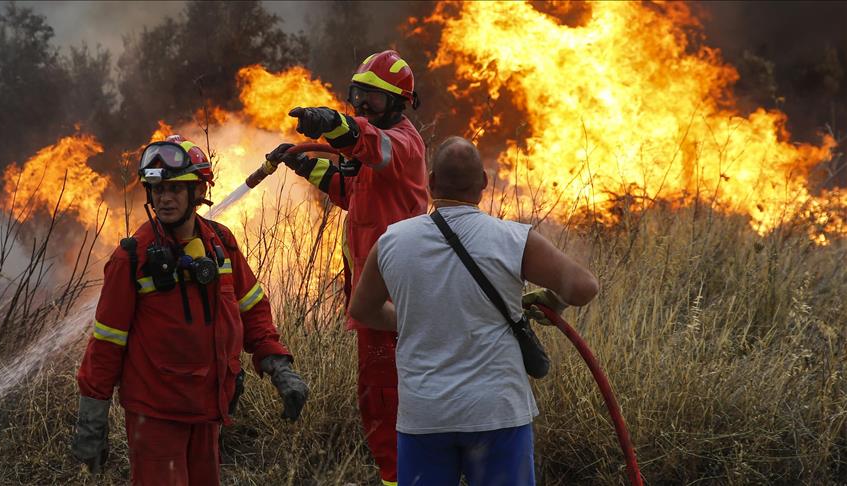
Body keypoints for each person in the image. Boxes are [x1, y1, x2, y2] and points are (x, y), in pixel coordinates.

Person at [348, 136, 599, 485]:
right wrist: (553, 301)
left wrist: (410, 319)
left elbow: (362, 310)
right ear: (483, 182)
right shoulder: (513, 239)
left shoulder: (392, 240)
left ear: (431, 182)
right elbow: (584, 287)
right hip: (496, 414)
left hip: (425, 415)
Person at [70, 135, 309, 485]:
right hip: (156, 416)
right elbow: (106, 344)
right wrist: (92, 421)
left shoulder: (222, 244)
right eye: (156, 189)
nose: (164, 198)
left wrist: (279, 368)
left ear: (198, 191)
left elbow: (253, 312)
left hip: (209, 411)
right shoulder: (132, 258)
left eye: (175, 189)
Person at [267, 50, 428, 486]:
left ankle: (401, 478)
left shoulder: (402, 143)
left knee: (386, 399)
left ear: (399, 103)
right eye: (358, 94)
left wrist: (333, 123)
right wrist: (310, 167)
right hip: (374, 298)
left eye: (373, 98)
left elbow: (368, 145)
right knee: (378, 399)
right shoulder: (374, 145)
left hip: (395, 301)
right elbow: (354, 192)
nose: (362, 104)